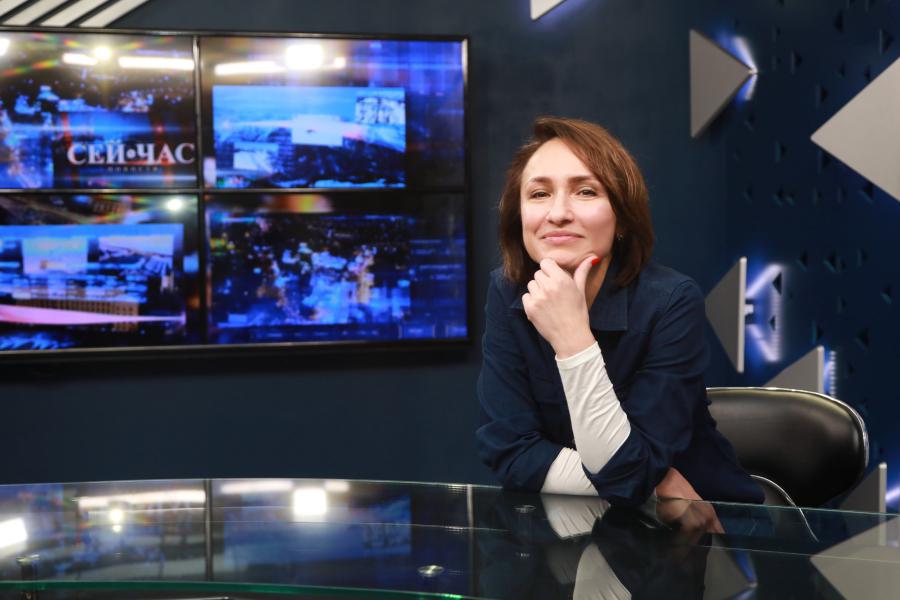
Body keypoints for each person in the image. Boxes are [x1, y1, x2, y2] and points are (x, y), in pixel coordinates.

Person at [476, 116, 763, 507]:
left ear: (623, 217)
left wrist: (572, 338)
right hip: (586, 522)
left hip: (703, 524)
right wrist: (654, 486)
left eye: (585, 191)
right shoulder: (507, 290)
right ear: (519, 217)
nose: (557, 213)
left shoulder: (671, 301)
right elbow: (509, 452)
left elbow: (627, 475)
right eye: (539, 194)